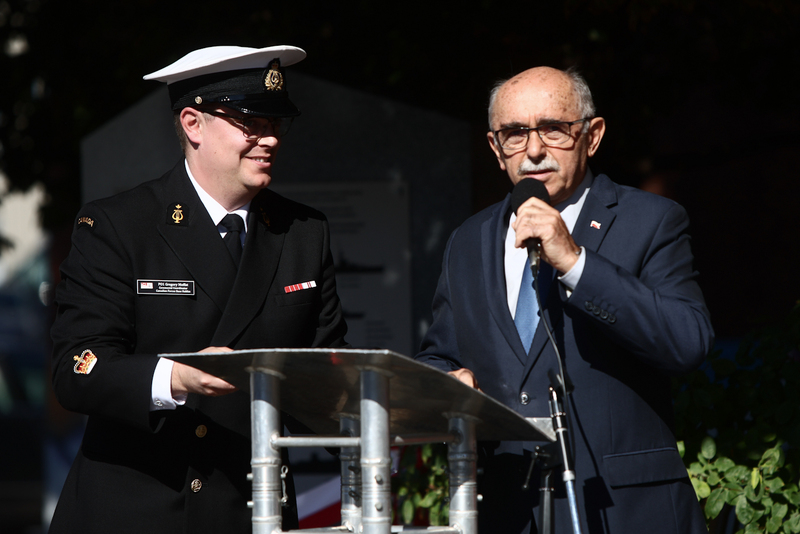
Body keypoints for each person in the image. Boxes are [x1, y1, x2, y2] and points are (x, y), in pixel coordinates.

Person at [49, 45, 348, 533]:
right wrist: (176, 378)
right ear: (193, 124)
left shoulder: (302, 231)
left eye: (276, 124)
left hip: (251, 507)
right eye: (251, 124)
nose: (269, 139)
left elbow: (326, 369)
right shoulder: (119, 225)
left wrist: (417, 396)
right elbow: (77, 368)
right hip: (141, 510)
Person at [415, 66, 713, 533]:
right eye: (515, 134)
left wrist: (575, 261)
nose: (534, 149)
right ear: (496, 149)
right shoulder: (468, 240)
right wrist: (447, 383)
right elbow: (439, 355)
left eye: (553, 129)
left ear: (591, 136)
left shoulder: (651, 219)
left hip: (624, 512)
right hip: (510, 511)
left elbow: (687, 342)